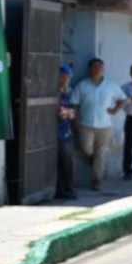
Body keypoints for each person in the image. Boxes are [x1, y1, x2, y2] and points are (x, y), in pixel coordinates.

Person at [70, 58, 127, 191]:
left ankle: (96, 180)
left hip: (105, 125)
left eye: (99, 67)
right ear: (89, 69)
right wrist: (75, 121)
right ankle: (91, 159)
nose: (97, 70)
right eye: (94, 67)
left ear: (103, 69)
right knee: (86, 149)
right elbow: (75, 105)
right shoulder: (82, 85)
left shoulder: (111, 85)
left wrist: (114, 110)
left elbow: (123, 99)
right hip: (86, 124)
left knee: (100, 153)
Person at [55, 65, 77, 200]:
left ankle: (67, 188)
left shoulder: (69, 92)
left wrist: (68, 113)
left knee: (68, 163)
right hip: (51, 134)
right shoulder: (52, 92)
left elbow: (73, 112)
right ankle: (57, 190)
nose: (65, 80)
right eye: (63, 77)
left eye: (68, 77)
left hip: (65, 133)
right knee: (54, 165)